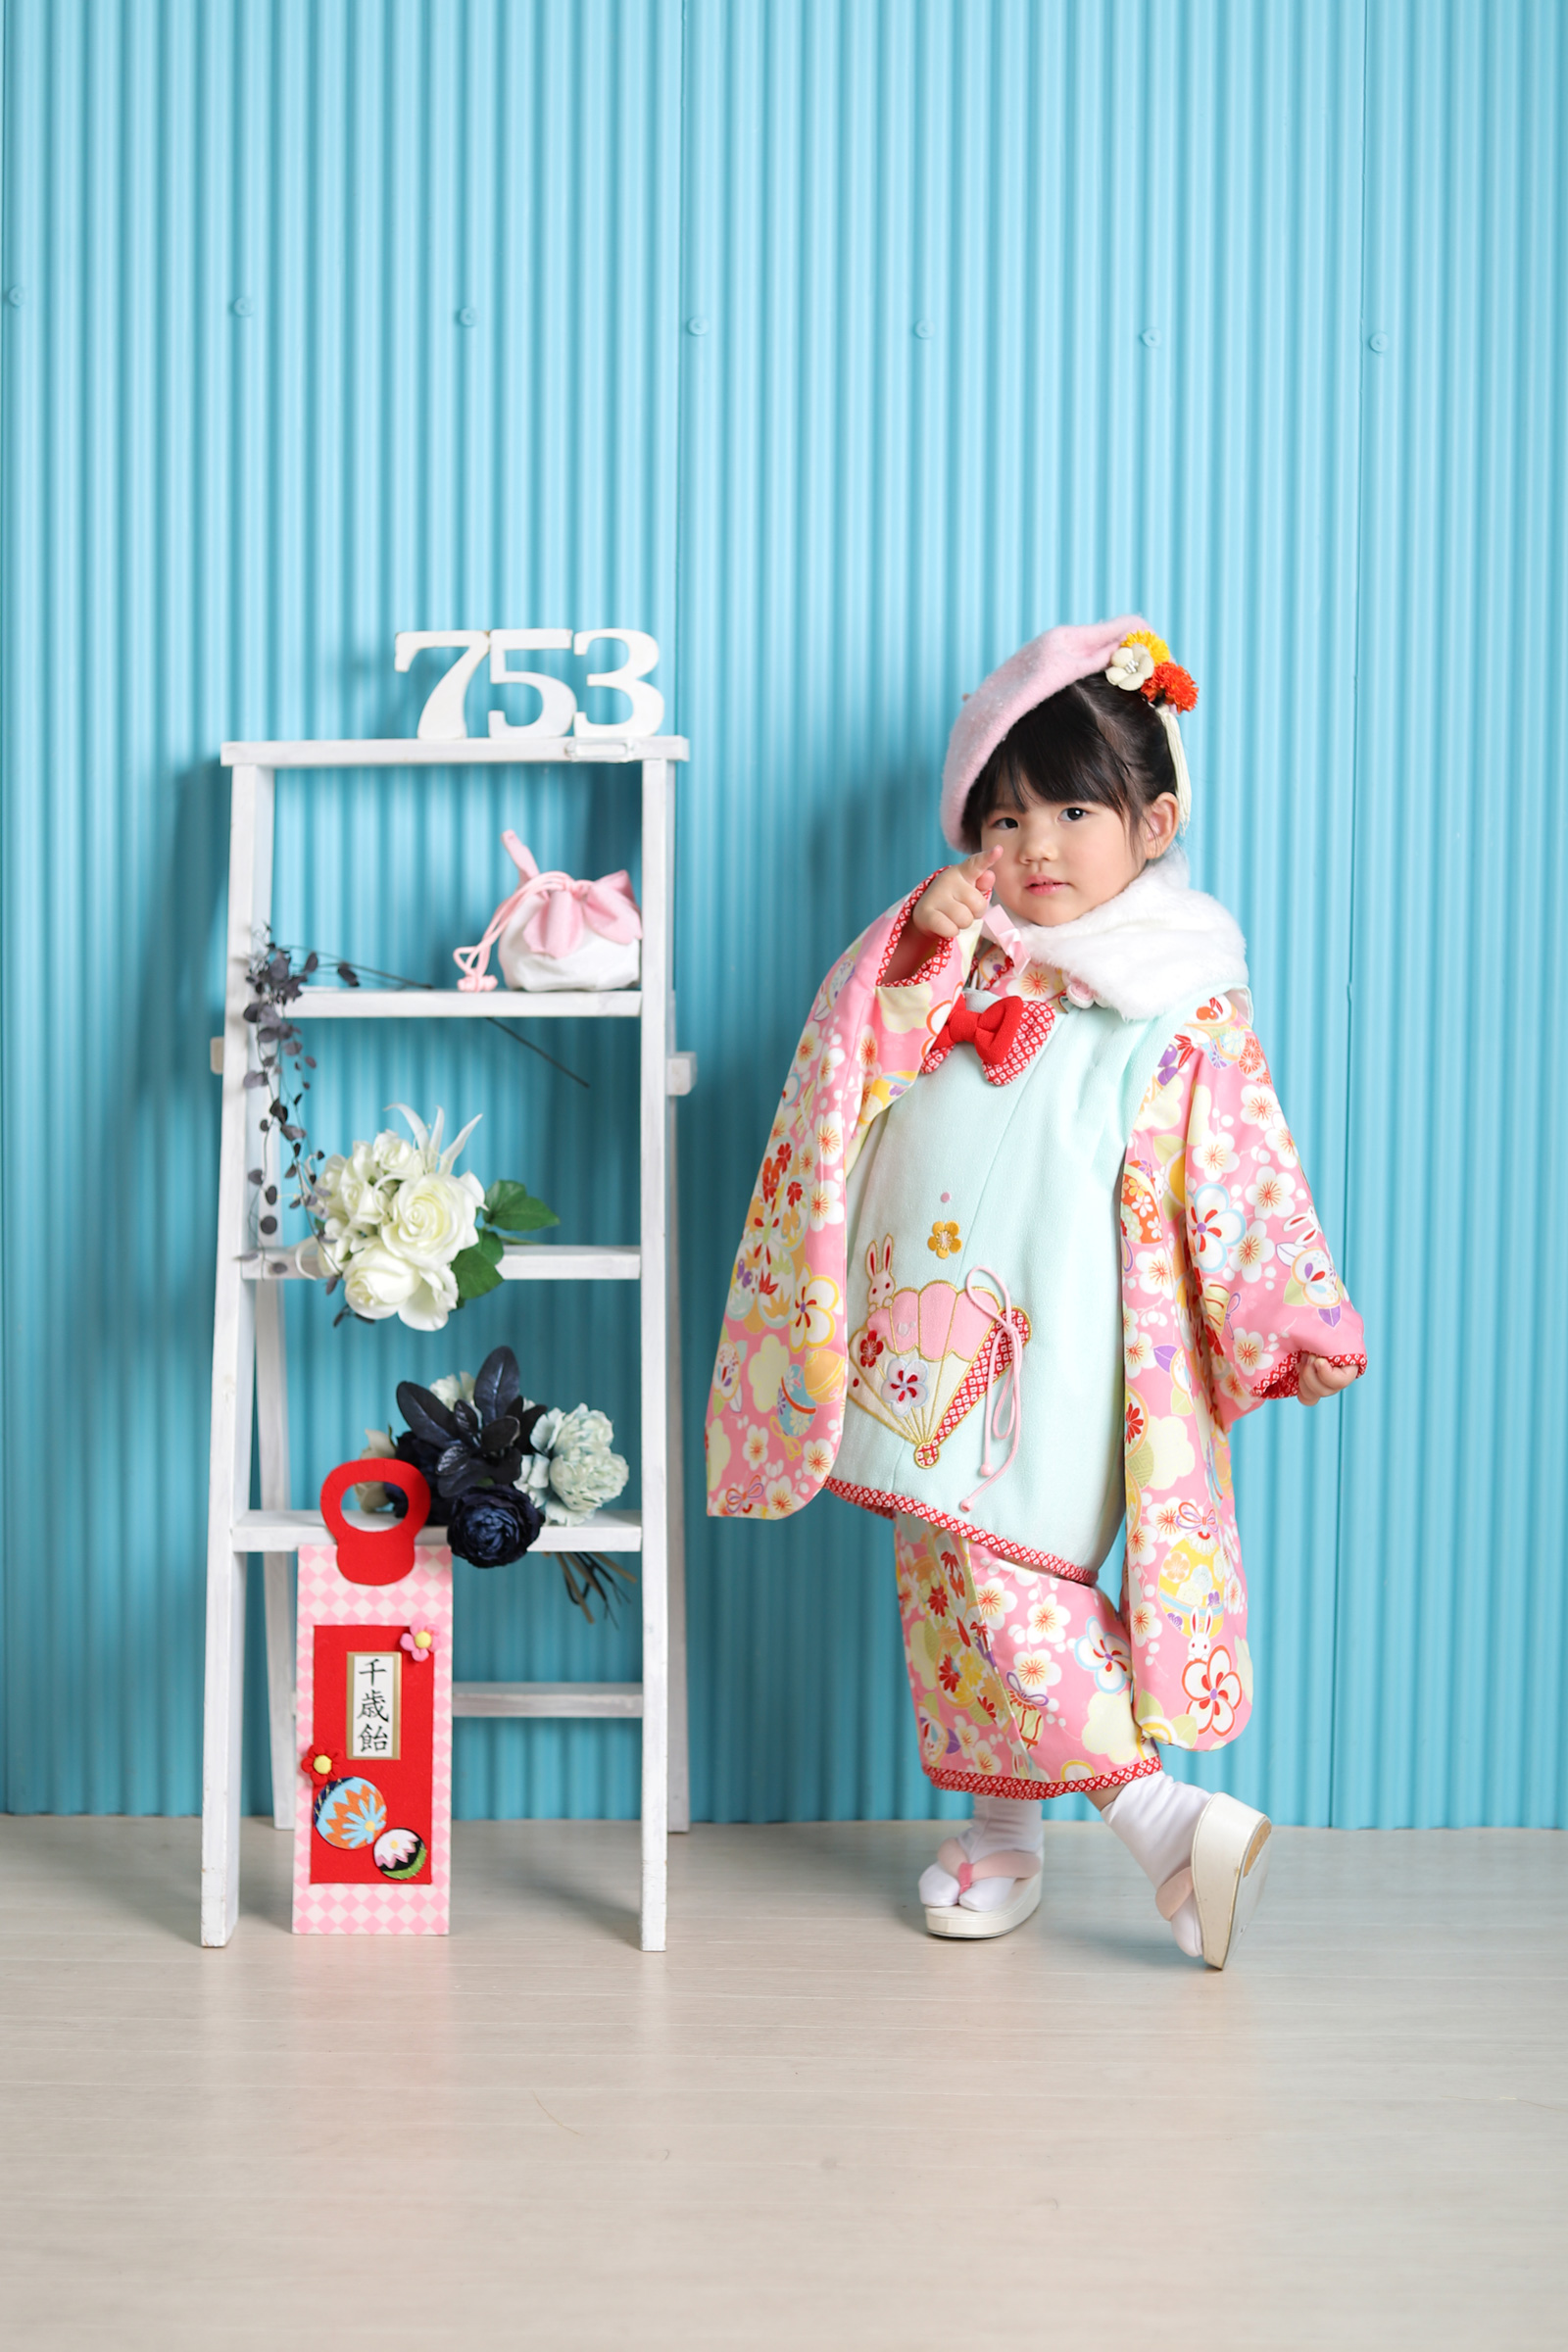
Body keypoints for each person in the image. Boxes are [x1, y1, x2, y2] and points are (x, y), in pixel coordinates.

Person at [705, 618, 1364, 1968]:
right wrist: (915, 942)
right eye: (1006, 819)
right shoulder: (969, 950)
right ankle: (1001, 1835)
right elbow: (853, 1062)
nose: (1037, 847)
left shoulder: (1180, 993)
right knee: (943, 1568)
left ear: (1154, 823)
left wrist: (1294, 1314)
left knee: (1007, 1564)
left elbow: (1242, 1165)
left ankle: (1166, 1824)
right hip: (912, 1326)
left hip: (1056, 1348)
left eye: (1074, 811)